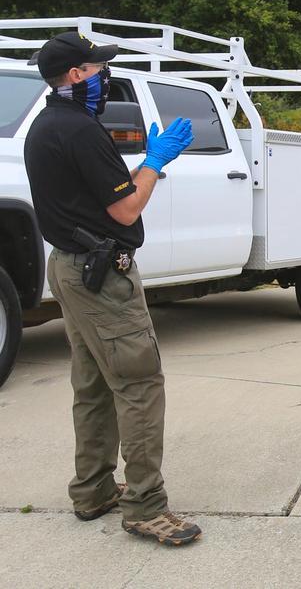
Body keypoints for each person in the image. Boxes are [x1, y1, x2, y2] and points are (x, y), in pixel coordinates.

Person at [23, 32, 201, 547]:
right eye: (98, 68)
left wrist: (141, 164)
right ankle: (145, 505)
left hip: (69, 267)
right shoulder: (79, 129)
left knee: (93, 381)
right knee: (139, 383)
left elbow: (96, 193)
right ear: (76, 75)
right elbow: (125, 209)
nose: (105, 76)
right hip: (101, 275)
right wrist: (156, 160)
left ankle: (94, 488)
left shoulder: (48, 125)